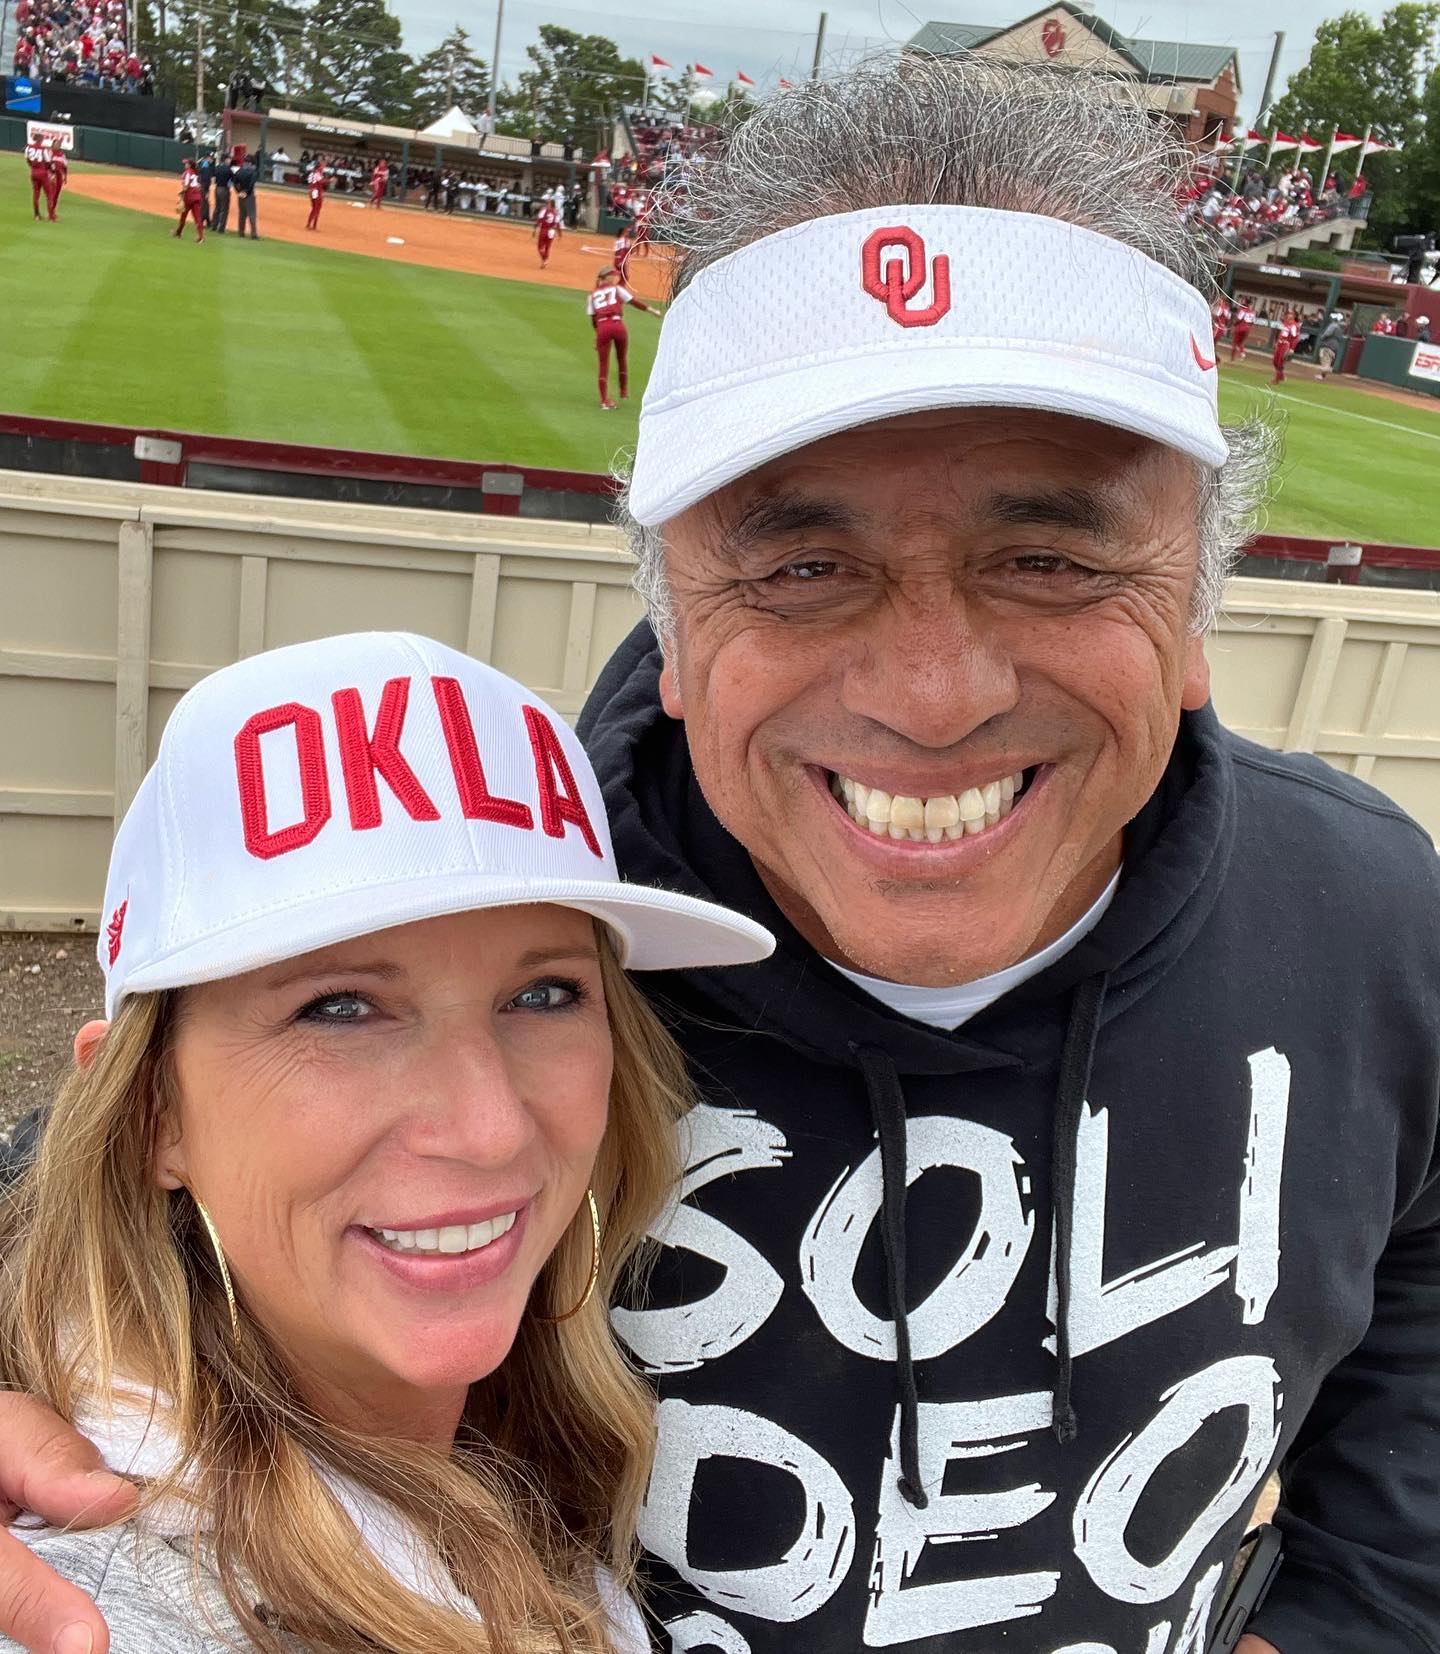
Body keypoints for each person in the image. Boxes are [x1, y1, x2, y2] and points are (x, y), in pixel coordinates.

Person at [7, 56, 1440, 1654]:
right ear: (675, 625)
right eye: (803, 565)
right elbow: (124, 1159)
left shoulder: (1377, 923)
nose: (933, 693)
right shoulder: (534, 920)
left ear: (1201, 599)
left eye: (1048, 556)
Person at [0, 631, 770, 1654]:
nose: (490, 1129)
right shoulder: (91, 1609)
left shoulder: (525, 1449)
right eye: (341, 1008)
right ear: (153, 1114)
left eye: (545, 993)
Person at [586, 265, 657, 410]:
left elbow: (593, 319)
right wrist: (651, 310)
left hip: (603, 327)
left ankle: (604, 401)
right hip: (618, 325)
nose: (615, 277)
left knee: (603, 364)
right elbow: (634, 302)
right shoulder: (618, 289)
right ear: (606, 277)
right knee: (621, 358)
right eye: (613, 275)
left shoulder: (592, 296)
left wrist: (597, 335)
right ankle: (623, 391)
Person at [173, 156, 204, 242]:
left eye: (186, 163)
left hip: (189, 197)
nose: (185, 165)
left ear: (189, 165)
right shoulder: (196, 172)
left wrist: (182, 194)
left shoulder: (188, 172)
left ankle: (178, 232)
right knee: (197, 217)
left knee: (183, 216)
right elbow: (198, 185)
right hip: (197, 196)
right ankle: (201, 237)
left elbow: (186, 186)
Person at [23, 134, 52, 221]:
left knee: (36, 194)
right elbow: (48, 162)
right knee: (49, 194)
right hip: (43, 173)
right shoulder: (43, 149)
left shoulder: (28, 148)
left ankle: (36, 215)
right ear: (41, 140)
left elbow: (27, 159)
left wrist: (32, 167)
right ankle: (51, 215)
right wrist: (50, 172)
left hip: (34, 173)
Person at [1314, 309, 1347, 379]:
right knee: (1328, 361)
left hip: (1327, 345)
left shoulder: (1334, 325)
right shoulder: (1342, 327)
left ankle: (1323, 374)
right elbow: (1341, 338)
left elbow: (1327, 333)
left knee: (1325, 360)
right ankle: (1323, 375)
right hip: (1335, 346)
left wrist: (1322, 338)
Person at [1271, 307, 1300, 383]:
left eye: (1291, 314)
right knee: (1275, 361)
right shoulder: (1285, 323)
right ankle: (1282, 376)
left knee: (1280, 361)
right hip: (1280, 343)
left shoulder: (1295, 325)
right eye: (1288, 314)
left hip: (1286, 344)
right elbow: (1281, 334)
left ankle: (1277, 379)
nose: (1289, 315)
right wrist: (1276, 342)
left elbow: (1295, 338)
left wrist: (1292, 349)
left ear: (1295, 316)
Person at [232, 153, 258, 238]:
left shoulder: (239, 171)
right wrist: (246, 192)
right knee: (252, 215)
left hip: (241, 195)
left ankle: (241, 232)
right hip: (249, 195)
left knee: (242, 215)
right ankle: (253, 234)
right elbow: (251, 184)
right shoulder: (253, 172)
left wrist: (239, 192)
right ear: (250, 163)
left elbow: (235, 183)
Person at [210, 149, 232, 234]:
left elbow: (213, 178)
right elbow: (233, 179)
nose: (230, 161)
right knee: (224, 209)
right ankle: (221, 228)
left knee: (217, 208)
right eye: (229, 159)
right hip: (224, 189)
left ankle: (213, 226)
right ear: (225, 159)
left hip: (217, 188)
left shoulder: (217, 167)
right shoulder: (228, 169)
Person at [536, 195, 562, 267]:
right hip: (551, 231)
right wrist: (560, 234)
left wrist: (535, 229)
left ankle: (544, 259)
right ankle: (545, 260)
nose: (546, 204)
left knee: (540, 247)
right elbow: (558, 224)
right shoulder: (556, 213)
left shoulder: (544, 210)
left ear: (550, 204)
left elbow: (539, 220)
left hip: (544, 230)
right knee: (547, 247)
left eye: (548, 203)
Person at [43, 140, 65, 220]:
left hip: (59, 176)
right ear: (53, 145)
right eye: (56, 144)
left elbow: (64, 166)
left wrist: (65, 176)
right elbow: (47, 164)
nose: (57, 146)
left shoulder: (62, 154)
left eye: (59, 145)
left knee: (56, 196)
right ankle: (50, 214)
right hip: (52, 176)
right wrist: (50, 175)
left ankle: (53, 212)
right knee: (51, 195)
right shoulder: (49, 152)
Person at [1229, 295, 1255, 360]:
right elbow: (1252, 322)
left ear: (1245, 303)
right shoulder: (1252, 312)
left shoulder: (1242, 310)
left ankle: (1232, 357)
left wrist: (1234, 324)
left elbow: (1239, 319)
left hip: (1240, 328)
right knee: (1240, 343)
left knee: (1235, 343)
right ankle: (1243, 353)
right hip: (1247, 329)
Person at [305, 155, 326, 231]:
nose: (323, 168)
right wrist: (330, 180)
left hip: (312, 191)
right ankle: (311, 225)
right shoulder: (317, 173)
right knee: (317, 209)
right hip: (316, 192)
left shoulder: (312, 173)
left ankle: (312, 225)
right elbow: (321, 182)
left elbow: (309, 181)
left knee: (315, 208)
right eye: (322, 166)